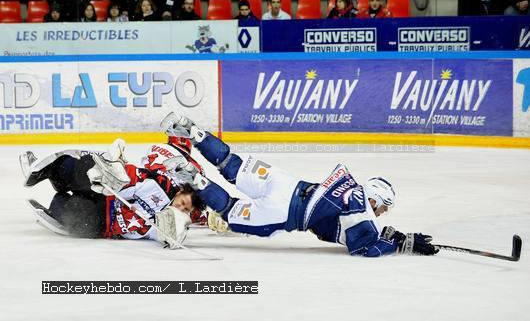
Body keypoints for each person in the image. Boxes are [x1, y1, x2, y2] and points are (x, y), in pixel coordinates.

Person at [160, 113, 439, 257]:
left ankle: (194, 132)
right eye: (385, 207)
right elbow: (364, 248)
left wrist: (392, 235)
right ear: (375, 199)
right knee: (231, 211)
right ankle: (196, 179)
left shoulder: (351, 185)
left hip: (287, 183)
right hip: (282, 212)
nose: (384, 213)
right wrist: (400, 245)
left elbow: (349, 228)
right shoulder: (364, 216)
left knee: (231, 163)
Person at [20, 139, 204, 248]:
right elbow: (133, 180)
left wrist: (213, 220)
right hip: (106, 197)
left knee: (76, 216)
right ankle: (50, 171)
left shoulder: (172, 223)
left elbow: (173, 234)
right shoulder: (159, 188)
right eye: (182, 202)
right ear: (179, 192)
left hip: (104, 222)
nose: (180, 207)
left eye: (184, 208)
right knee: (86, 169)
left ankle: (57, 205)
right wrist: (114, 177)